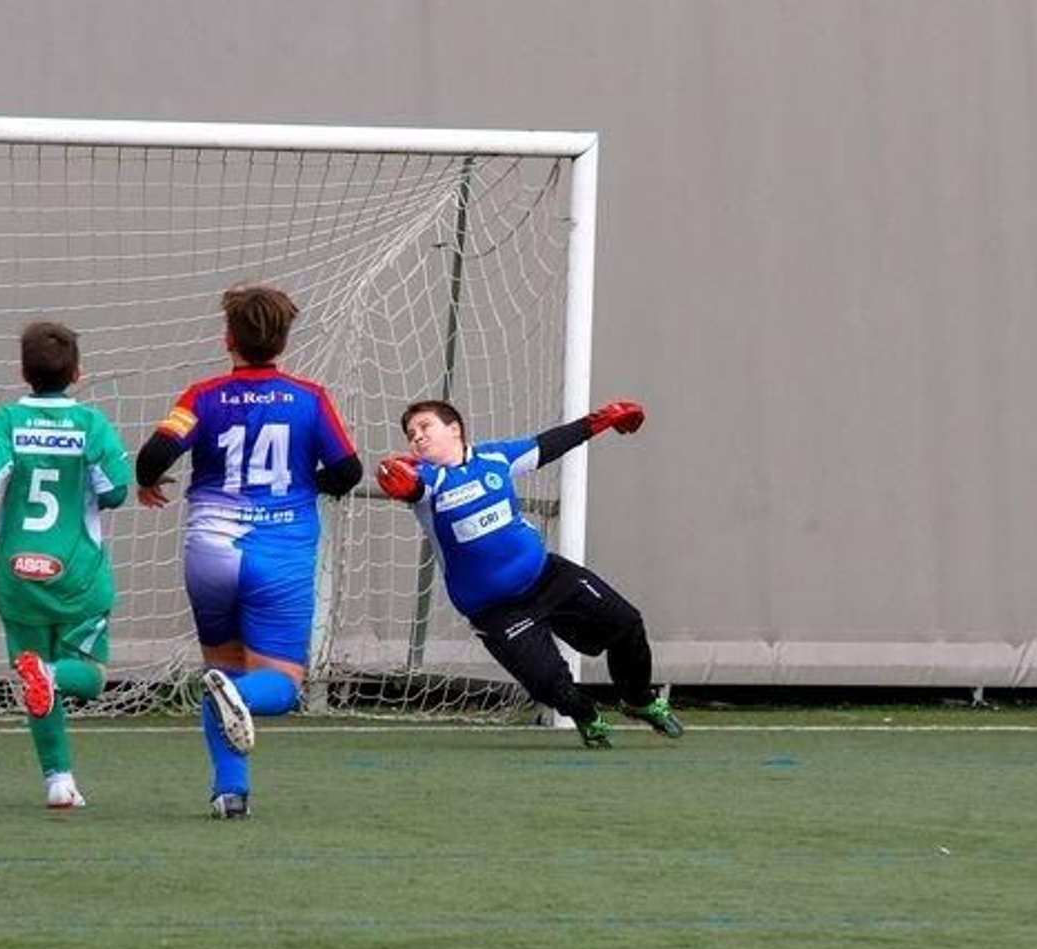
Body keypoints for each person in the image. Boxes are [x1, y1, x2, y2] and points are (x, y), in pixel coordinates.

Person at [135, 284, 361, 820]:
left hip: (209, 552)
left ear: (228, 339)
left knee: (223, 672)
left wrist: (147, 480)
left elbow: (154, 455)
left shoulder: (201, 396)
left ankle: (230, 791)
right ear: (282, 341)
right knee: (279, 684)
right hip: (278, 554)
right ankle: (246, 705)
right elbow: (348, 471)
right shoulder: (309, 398)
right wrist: (309, 484)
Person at [375, 398, 683, 749]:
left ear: (454, 429)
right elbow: (411, 486)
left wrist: (604, 419)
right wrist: (397, 479)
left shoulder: (495, 458)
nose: (416, 436)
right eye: (410, 434)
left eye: (424, 426)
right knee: (550, 685)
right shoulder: (427, 482)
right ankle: (586, 714)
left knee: (626, 624)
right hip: (496, 611)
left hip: (547, 577)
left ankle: (638, 700)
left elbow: (549, 444)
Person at [0, 321, 132, 809]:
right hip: (78, 575)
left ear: (22, 372)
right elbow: (116, 492)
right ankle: (50, 680)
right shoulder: (91, 424)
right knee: (87, 675)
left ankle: (58, 781)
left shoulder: (7, 420)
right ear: (78, 372)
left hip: (17, 572)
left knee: (34, 677)